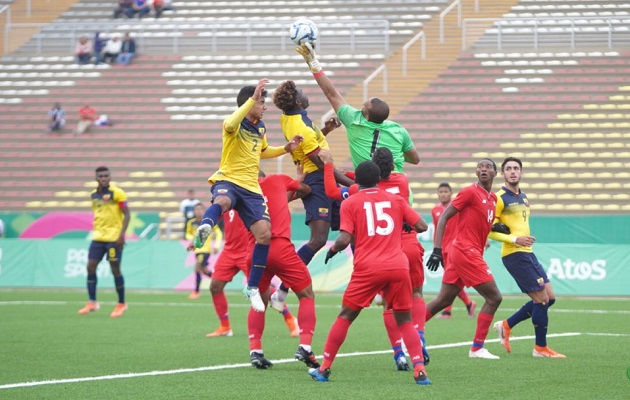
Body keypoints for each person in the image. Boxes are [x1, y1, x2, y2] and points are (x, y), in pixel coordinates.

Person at [308, 161, 430, 385]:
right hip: (398, 266)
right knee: (404, 320)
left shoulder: (351, 202)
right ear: (377, 179)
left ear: (358, 181)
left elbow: (344, 239)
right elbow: (422, 226)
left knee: (346, 316)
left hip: (368, 267)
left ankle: (324, 369)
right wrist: (403, 224)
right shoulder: (396, 200)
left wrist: (333, 250)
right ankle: (420, 370)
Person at [193, 79, 303, 313]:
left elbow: (262, 151)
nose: (264, 106)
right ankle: (204, 227)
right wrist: (252, 99)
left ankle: (252, 287)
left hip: (251, 187)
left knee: (264, 235)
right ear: (249, 103)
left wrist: (286, 148)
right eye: (261, 102)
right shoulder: (233, 124)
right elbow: (231, 121)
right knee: (222, 202)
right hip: (229, 179)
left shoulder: (260, 127)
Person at [296, 43, 420, 173]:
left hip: (368, 185)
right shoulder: (399, 131)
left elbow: (331, 93)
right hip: (398, 186)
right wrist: (395, 154)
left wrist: (312, 62)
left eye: (363, 106)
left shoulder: (354, 120)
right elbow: (415, 160)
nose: (362, 105)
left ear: (366, 116)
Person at [424, 158, 502, 359]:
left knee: (444, 299)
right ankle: (477, 348)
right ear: (476, 172)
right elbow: (444, 217)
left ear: (495, 173)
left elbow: (477, 222)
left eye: (488, 167)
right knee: (494, 297)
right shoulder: (469, 192)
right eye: (480, 167)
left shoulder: (493, 199)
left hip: (464, 252)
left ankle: (410, 330)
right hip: (465, 251)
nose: (483, 169)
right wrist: (437, 249)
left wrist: (494, 228)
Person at [271, 80, 352, 272]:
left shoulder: (289, 117)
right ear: (298, 102)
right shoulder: (301, 127)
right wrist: (358, 186)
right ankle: (285, 284)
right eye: (301, 92)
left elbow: (309, 145)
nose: (304, 93)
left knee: (353, 231)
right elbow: (323, 166)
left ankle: (367, 276)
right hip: (317, 180)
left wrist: (325, 130)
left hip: (319, 176)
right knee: (318, 240)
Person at [490, 157, 566, 358]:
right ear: (503, 174)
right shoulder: (498, 198)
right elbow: (489, 231)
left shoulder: (523, 196)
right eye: (508, 169)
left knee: (549, 298)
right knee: (541, 300)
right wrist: (516, 239)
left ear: (521, 173)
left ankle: (506, 325)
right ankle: (540, 348)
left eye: (516, 168)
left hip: (527, 253)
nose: (513, 172)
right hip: (513, 254)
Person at [246, 170, 319, 369]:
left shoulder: (242, 192)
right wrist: (296, 183)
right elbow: (306, 190)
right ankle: (305, 345)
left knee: (259, 301)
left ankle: (256, 350)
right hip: (279, 247)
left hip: (254, 251)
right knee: (306, 295)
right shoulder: (277, 179)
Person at [206, 209, 299, 339]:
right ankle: (225, 327)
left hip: (247, 250)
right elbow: (214, 215)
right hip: (229, 250)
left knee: (262, 287)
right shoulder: (226, 198)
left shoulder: (246, 197)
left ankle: (290, 319)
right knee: (215, 286)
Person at [78, 166, 130, 318]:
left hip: (114, 238)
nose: (103, 178)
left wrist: (121, 235)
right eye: (101, 176)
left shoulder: (117, 193)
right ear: (96, 178)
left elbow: (127, 214)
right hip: (98, 237)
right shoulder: (94, 195)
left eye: (106, 176)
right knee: (91, 266)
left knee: (115, 269)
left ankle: (121, 303)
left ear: (110, 177)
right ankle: (92, 302)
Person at [431, 182, 476, 320]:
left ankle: (447, 311)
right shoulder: (435, 210)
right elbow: (436, 229)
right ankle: (469, 304)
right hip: (442, 249)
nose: (443, 194)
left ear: (451, 194)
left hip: (454, 248)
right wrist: (436, 248)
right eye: (441, 192)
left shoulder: (456, 207)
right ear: (438, 194)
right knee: (452, 281)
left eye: (446, 191)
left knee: (448, 280)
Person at [185, 203, 222, 300]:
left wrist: (217, 245)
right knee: (204, 270)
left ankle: (196, 292)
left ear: (204, 211)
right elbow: (188, 234)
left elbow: (218, 233)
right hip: (196, 250)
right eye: (196, 209)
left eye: (200, 209)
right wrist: (192, 238)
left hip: (205, 250)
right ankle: (219, 281)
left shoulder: (207, 222)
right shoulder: (191, 223)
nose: (198, 211)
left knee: (197, 267)